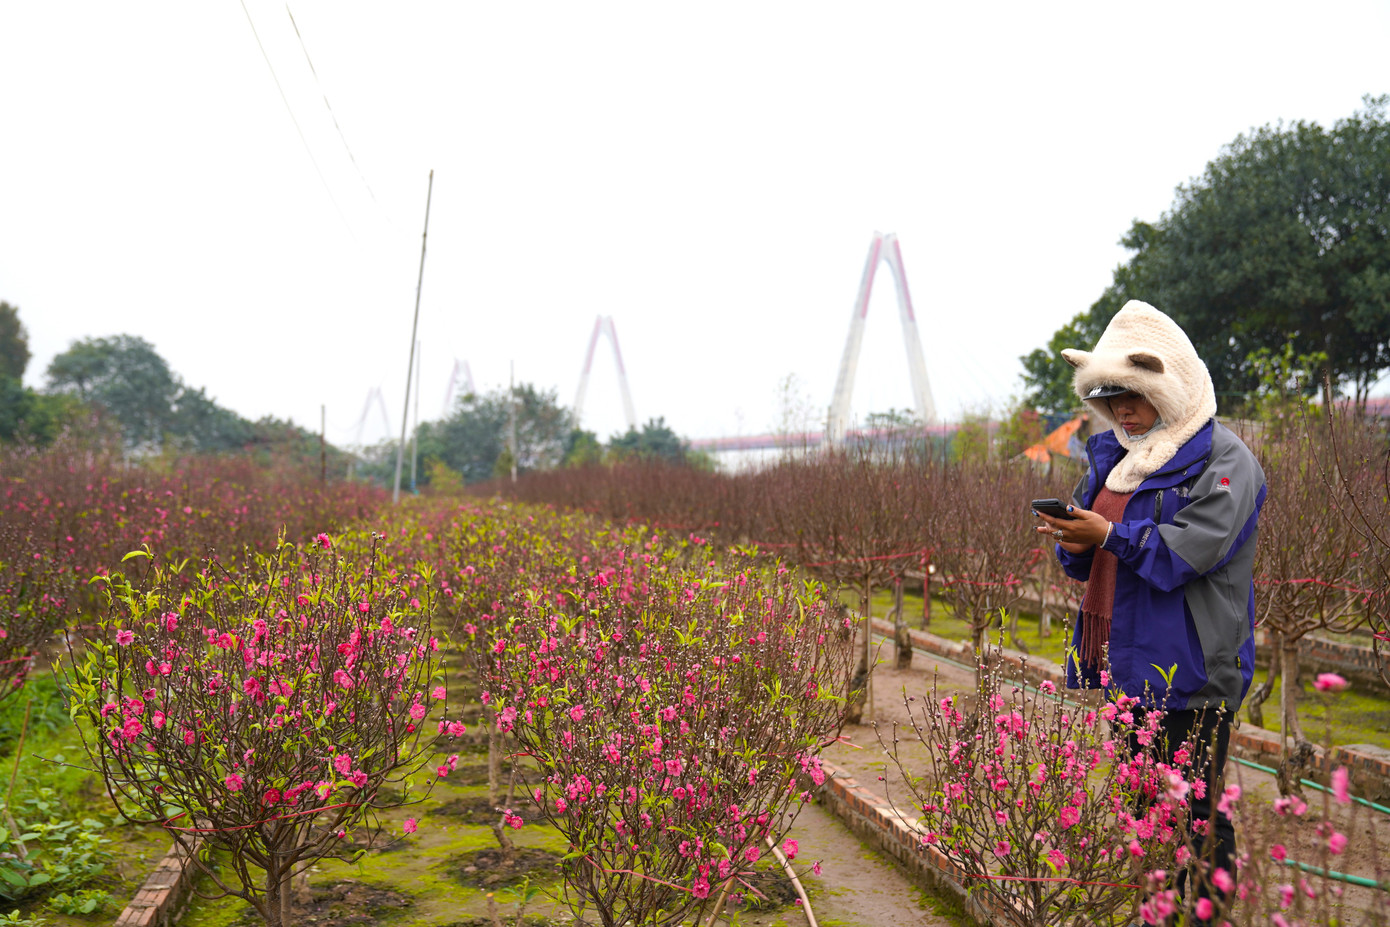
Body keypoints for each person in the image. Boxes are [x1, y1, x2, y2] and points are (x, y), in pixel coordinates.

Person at [1032, 299, 1266, 913]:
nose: (1122, 411)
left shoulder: (1225, 460)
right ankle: (1157, 911)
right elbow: (1092, 558)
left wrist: (1110, 535)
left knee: (1197, 811)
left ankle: (1208, 916)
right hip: (1128, 663)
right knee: (1142, 807)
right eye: (1110, 398)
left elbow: (1193, 549)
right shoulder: (1117, 460)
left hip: (1193, 666)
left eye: (1133, 395)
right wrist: (1075, 540)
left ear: (1170, 384)